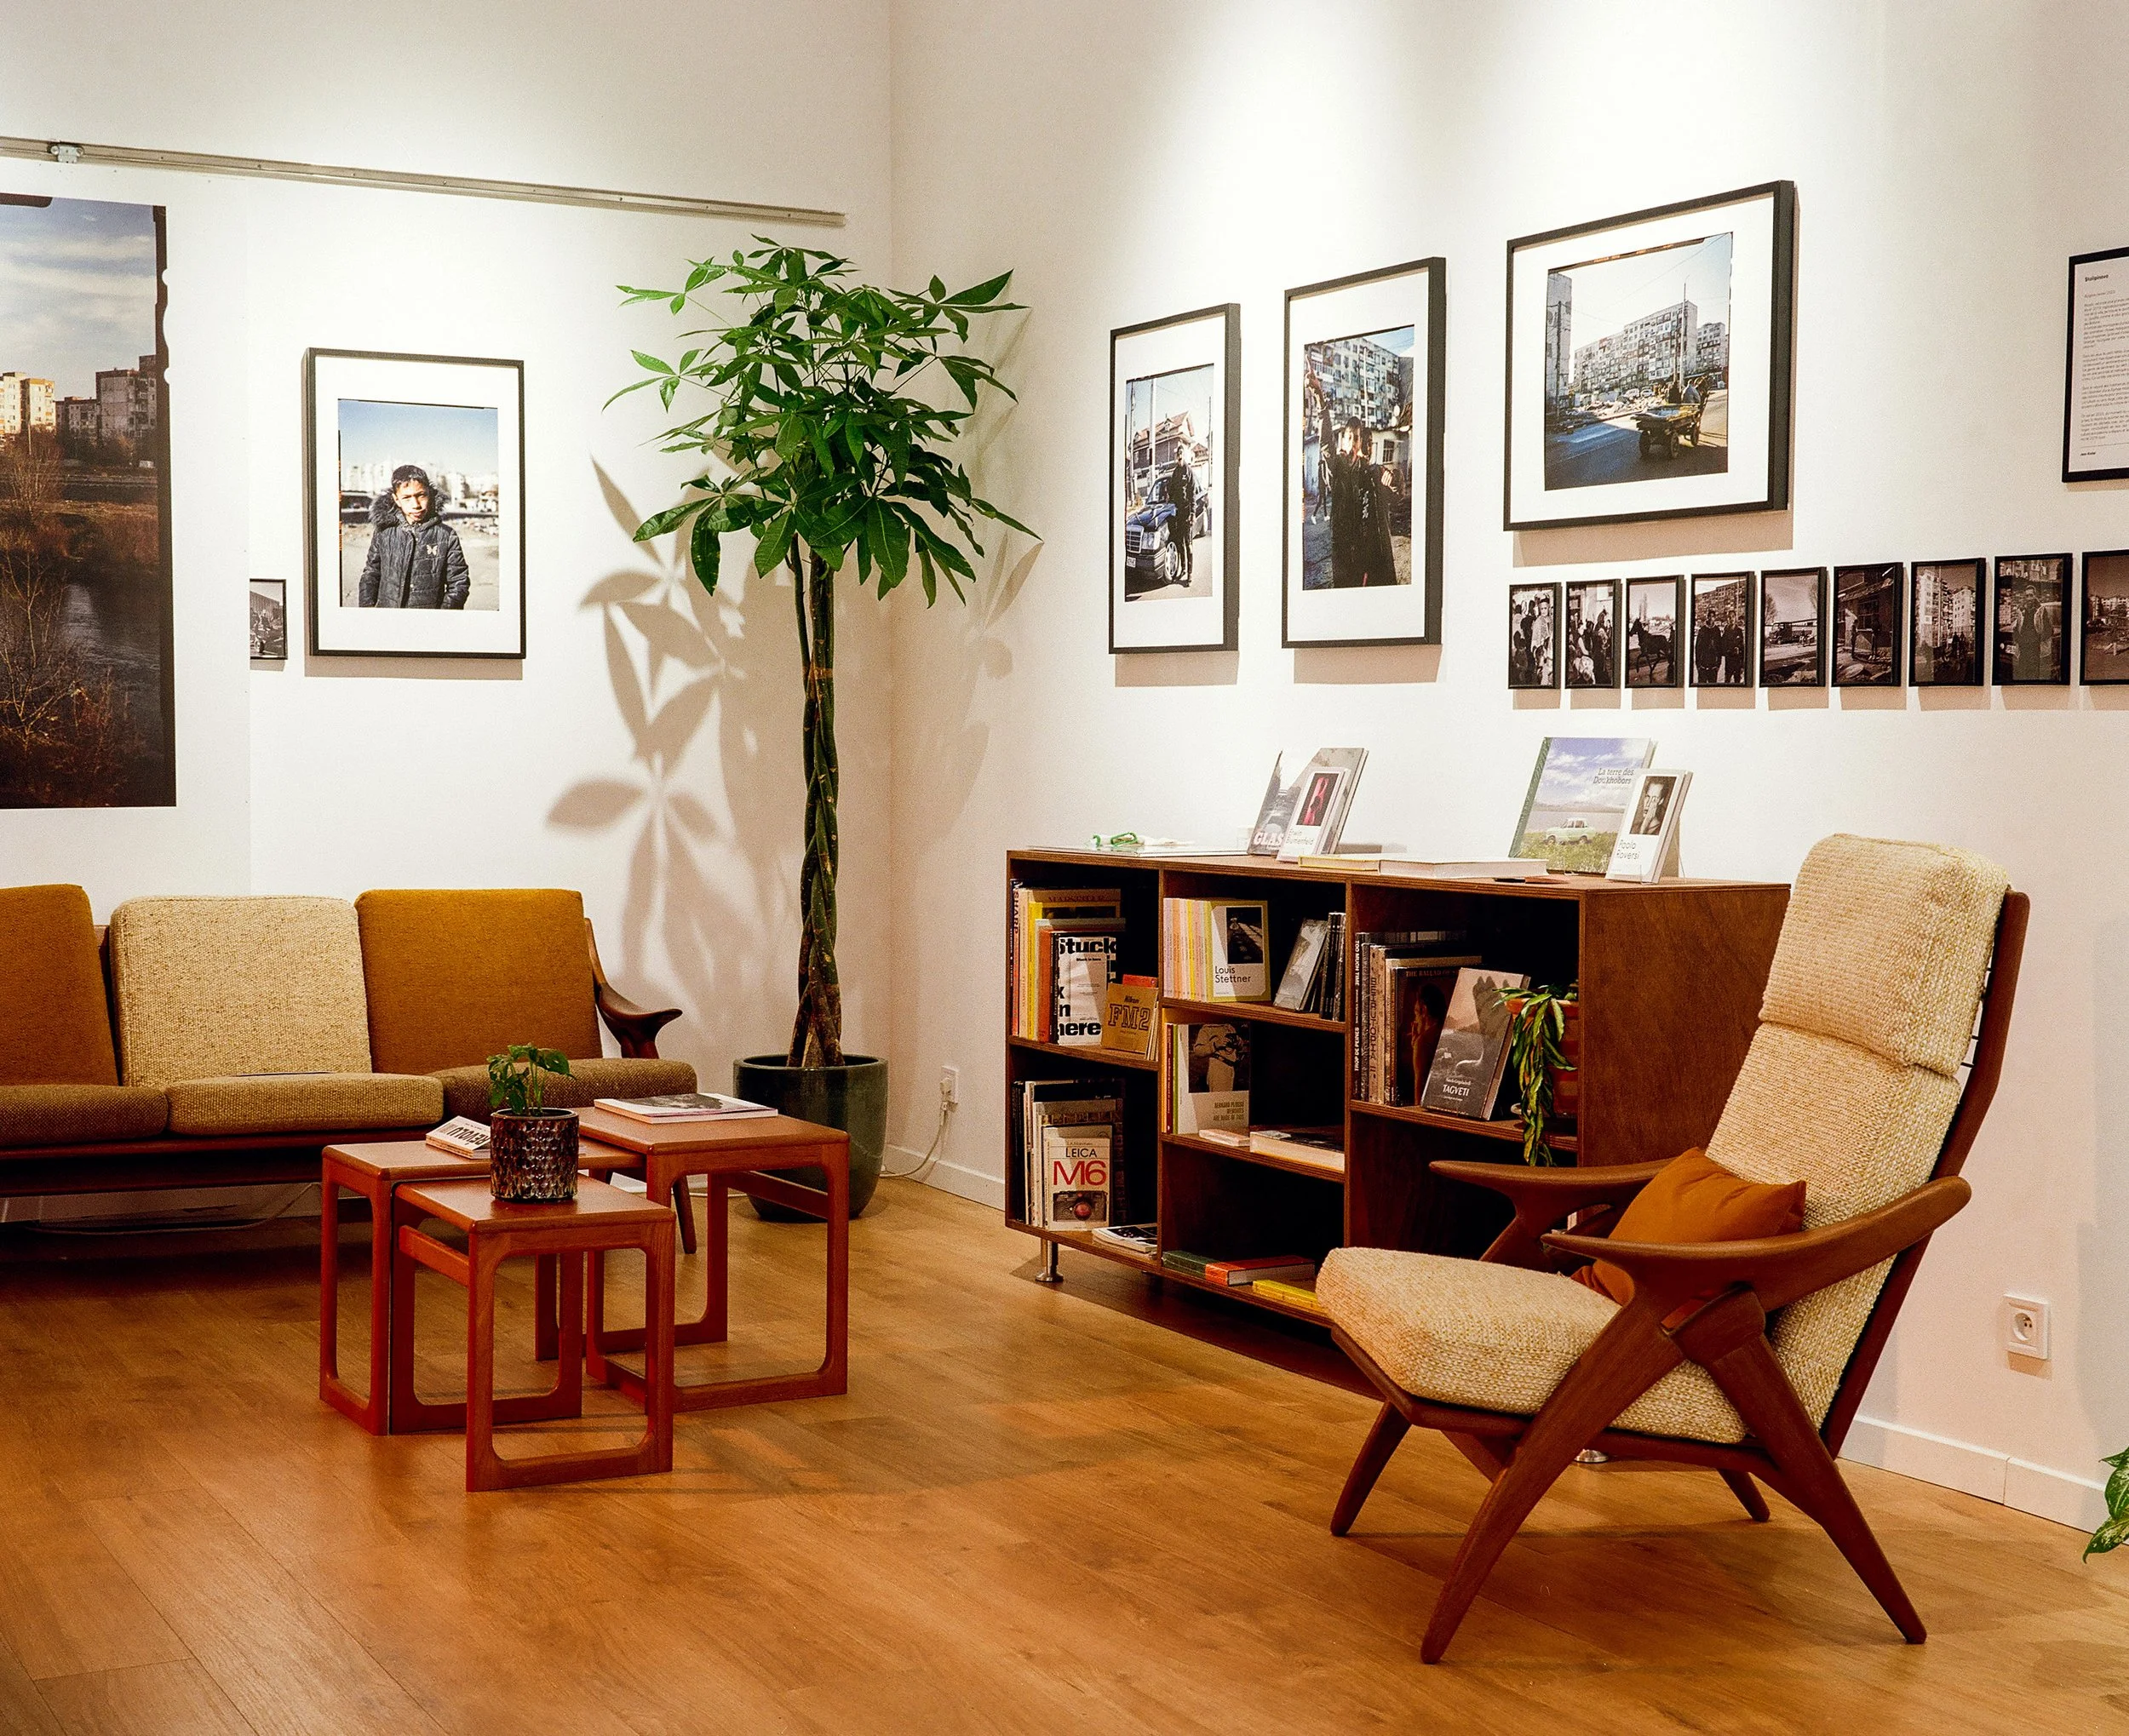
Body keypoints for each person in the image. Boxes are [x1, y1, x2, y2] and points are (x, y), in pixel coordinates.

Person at [359, 465, 471, 610]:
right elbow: (371, 574)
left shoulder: (446, 536)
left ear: (429, 494)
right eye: (406, 498)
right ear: (396, 499)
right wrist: (367, 610)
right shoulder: (384, 532)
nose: (416, 505)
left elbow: (458, 583)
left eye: (421, 495)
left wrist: (443, 617)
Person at [1165, 454, 1196, 584]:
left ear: (1184, 456)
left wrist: (1193, 513)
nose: (1179, 457)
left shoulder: (1189, 472)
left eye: (1181, 455)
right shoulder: (1175, 473)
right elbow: (1172, 490)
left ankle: (1190, 574)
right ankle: (1183, 569)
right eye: (1177, 455)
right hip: (1178, 513)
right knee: (1180, 543)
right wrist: (1168, 494)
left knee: (1188, 544)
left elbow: (1192, 493)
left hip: (1187, 512)